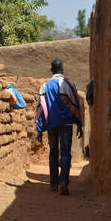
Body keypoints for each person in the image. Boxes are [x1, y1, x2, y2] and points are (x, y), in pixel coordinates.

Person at [36, 59, 83, 196]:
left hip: (51, 124)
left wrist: (39, 129)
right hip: (66, 124)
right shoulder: (69, 85)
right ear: (62, 70)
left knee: (53, 153)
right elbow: (75, 106)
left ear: (51, 70)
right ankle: (64, 182)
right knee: (66, 153)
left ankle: (53, 183)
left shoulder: (44, 87)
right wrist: (79, 124)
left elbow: (41, 109)